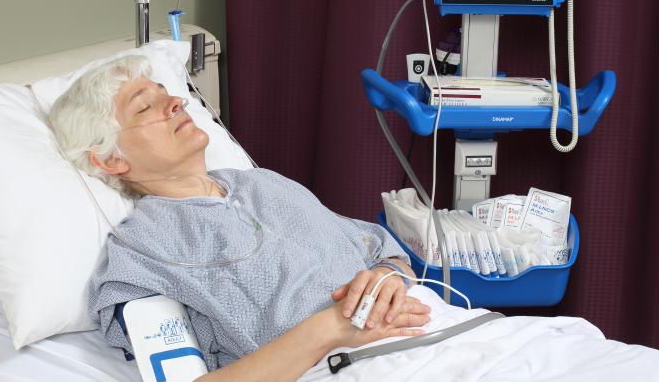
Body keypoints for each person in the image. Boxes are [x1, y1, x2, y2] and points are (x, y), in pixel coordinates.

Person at [49, 55, 432, 381]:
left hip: (443, 342)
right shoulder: (141, 254)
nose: (176, 103)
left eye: (168, 95)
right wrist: (330, 327)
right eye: (145, 108)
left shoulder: (265, 184)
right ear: (111, 159)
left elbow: (384, 250)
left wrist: (386, 277)